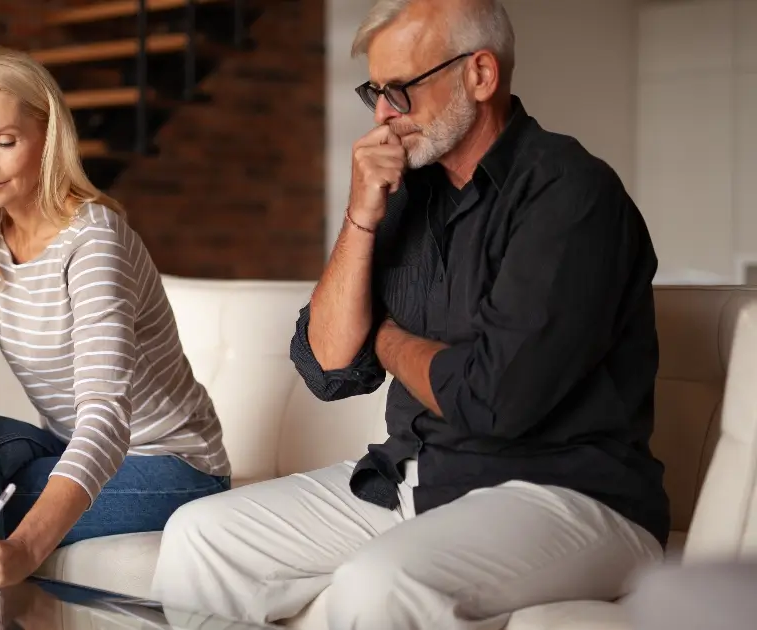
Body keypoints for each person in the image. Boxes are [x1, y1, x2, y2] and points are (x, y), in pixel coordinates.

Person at [150, 0, 670, 628]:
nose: (383, 115)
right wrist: (362, 213)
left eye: (401, 90)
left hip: (568, 495)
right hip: (417, 475)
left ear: (480, 75)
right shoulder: (406, 193)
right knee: (201, 536)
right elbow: (327, 364)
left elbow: (493, 402)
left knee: (378, 583)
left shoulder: (571, 196)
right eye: (375, 90)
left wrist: (388, 337)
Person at [0, 46, 231, 589]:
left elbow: (105, 419)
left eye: (4, 142)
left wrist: (24, 551)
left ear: (47, 138)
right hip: (63, 442)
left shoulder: (93, 240)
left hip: (172, 463)